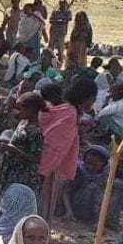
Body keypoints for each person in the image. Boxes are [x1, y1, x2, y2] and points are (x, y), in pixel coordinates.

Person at [38, 78, 97, 223]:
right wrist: (45, 169)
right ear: (88, 97)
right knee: (43, 202)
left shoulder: (67, 110)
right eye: (93, 98)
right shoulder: (70, 114)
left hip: (46, 164)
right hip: (48, 166)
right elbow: (55, 145)